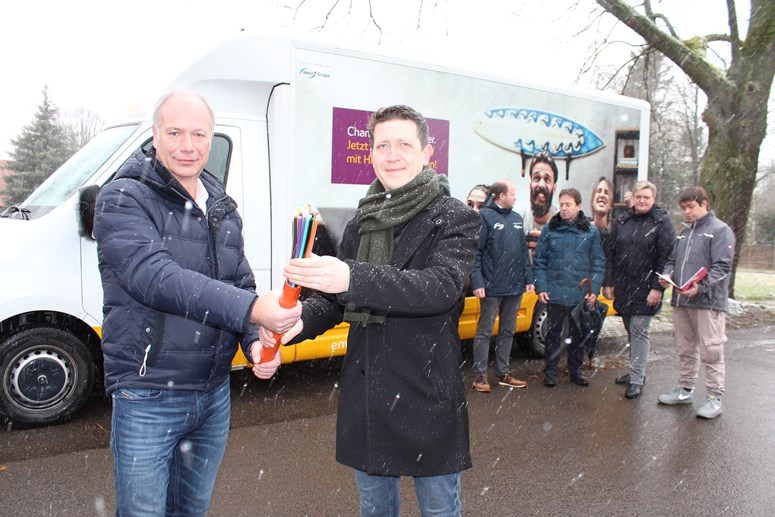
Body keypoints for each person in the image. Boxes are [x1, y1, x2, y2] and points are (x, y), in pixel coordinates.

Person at [260, 105, 480, 515]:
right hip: (368, 393)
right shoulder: (363, 220)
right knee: (375, 510)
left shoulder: (455, 216)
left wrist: (350, 277)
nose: (392, 155)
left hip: (426, 389)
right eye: (382, 145)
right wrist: (297, 320)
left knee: (439, 510)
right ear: (372, 153)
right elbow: (333, 300)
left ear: (426, 153)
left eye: (404, 145)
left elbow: (440, 288)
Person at [93, 90, 301, 516]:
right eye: (174, 133)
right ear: (154, 135)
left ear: (211, 138)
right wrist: (253, 310)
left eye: (199, 134)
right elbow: (156, 278)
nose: (187, 145)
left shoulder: (221, 206)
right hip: (148, 393)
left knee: (191, 509)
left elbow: (239, 280)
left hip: (212, 393)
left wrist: (254, 342)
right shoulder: (122, 197)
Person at [657, 186, 735, 419]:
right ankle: (684, 390)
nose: (687, 212)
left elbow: (723, 267)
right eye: (683, 208)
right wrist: (667, 274)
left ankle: (714, 397)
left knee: (712, 349)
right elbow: (672, 260)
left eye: (691, 207)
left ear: (704, 204)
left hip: (708, 302)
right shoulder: (684, 232)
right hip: (682, 301)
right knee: (685, 347)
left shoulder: (720, 230)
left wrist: (701, 287)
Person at [602, 180, 675, 399]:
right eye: (639, 196)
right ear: (632, 197)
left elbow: (667, 257)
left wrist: (657, 288)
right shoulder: (622, 221)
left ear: (654, 199)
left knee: (639, 330)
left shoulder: (661, 222)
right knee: (630, 330)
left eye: (647, 197)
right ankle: (636, 370)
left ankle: (636, 379)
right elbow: (610, 253)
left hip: (647, 287)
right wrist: (608, 282)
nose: (642, 201)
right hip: (624, 287)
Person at [533, 188, 605, 387]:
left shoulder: (590, 231)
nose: (564, 209)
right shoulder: (550, 229)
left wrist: (594, 290)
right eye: (562, 204)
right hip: (554, 291)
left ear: (578, 206)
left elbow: (598, 263)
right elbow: (539, 261)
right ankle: (550, 372)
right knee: (553, 334)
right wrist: (541, 287)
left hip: (579, 293)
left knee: (578, 334)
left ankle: (576, 371)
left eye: (568, 205)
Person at [470, 179, 534, 393]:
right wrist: (477, 281)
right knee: (485, 331)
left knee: (507, 330)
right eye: (512, 193)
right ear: (501, 196)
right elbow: (476, 252)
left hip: (514, 286)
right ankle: (480, 376)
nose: (515, 197)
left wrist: (529, 278)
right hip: (491, 287)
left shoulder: (516, 219)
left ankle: (503, 373)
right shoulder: (484, 217)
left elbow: (523, 251)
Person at [519, 151, 559, 253]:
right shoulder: (517, 215)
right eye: (537, 178)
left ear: (554, 188)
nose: (541, 185)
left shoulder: (562, 221)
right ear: (530, 185)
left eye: (547, 179)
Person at [590, 176, 614, 247]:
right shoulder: (582, 231)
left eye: (606, 193)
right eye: (599, 191)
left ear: (610, 205)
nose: (602, 195)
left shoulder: (615, 233)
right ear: (592, 201)